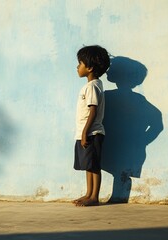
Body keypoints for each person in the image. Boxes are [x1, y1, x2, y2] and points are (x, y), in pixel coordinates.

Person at [72, 45, 110, 207]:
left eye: (80, 63)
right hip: (87, 132)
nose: (77, 67)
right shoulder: (93, 85)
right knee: (89, 165)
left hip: (91, 133)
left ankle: (94, 197)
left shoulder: (92, 86)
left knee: (94, 166)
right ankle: (89, 194)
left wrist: (84, 133)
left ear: (90, 68)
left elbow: (92, 111)